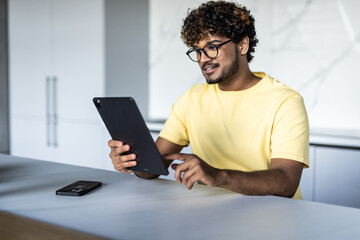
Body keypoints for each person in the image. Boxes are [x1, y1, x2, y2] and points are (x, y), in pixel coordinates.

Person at [108, 0, 309, 199]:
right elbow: (152, 168)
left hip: (272, 218)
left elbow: (286, 182)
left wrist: (218, 176)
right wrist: (133, 161)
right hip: (210, 214)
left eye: (212, 47)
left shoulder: (285, 101)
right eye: (197, 50)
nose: (203, 58)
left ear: (242, 45)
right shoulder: (191, 99)